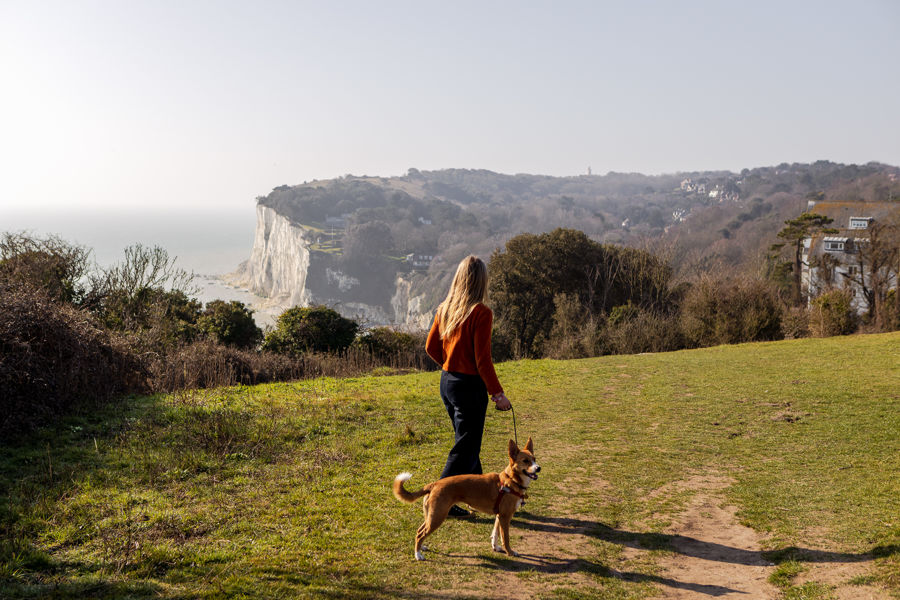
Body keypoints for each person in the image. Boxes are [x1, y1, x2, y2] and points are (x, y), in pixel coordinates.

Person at [425, 255, 511, 517]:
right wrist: (498, 394)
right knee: (465, 447)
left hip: (448, 382)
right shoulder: (481, 313)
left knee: (468, 443)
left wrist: (449, 363)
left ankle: (485, 498)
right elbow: (482, 360)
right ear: (482, 281)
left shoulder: (445, 308)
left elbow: (430, 347)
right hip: (469, 387)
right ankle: (438, 500)